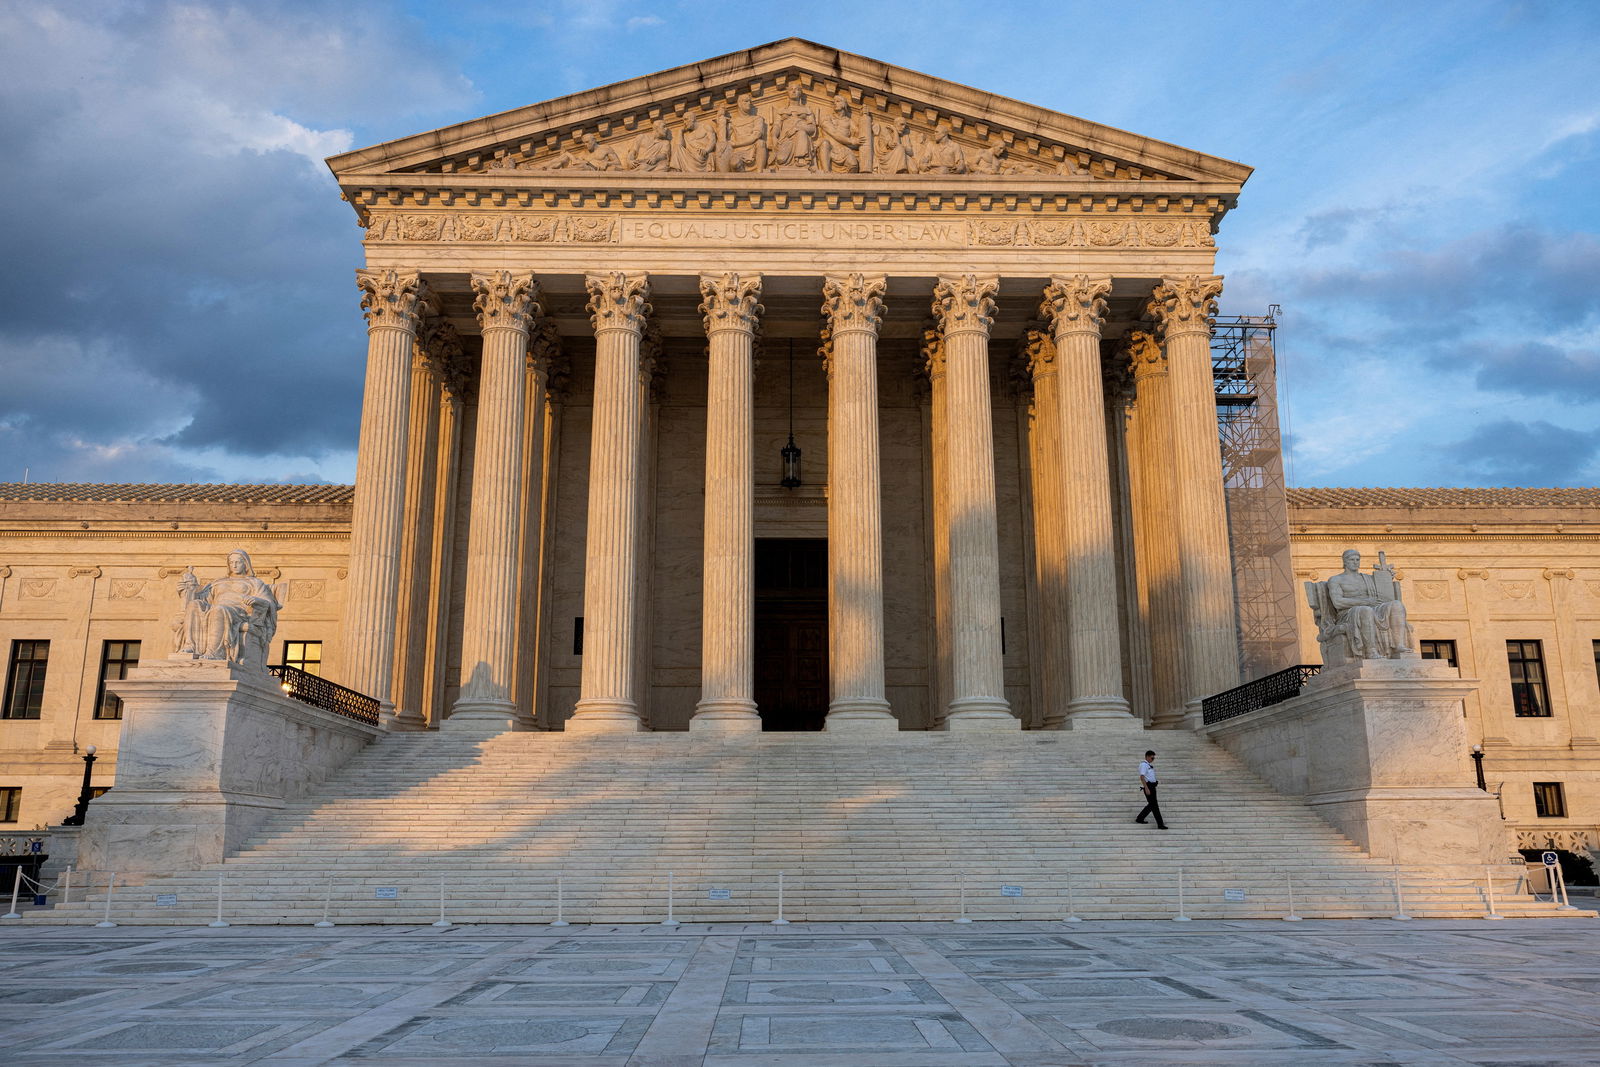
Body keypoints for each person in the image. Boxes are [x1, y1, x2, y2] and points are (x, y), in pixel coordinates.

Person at [1136, 749, 1167, 829]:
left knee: (1151, 805)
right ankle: (1160, 824)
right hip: (1148, 787)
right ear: (1147, 756)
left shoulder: (1148, 765)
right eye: (1152, 758)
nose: (1153, 760)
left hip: (1152, 787)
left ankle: (1140, 818)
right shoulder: (1144, 765)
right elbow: (1142, 777)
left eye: (1154, 758)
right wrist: (1146, 788)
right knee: (1154, 806)